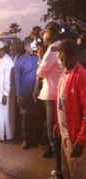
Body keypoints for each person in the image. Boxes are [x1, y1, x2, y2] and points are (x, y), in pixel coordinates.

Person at [55, 39, 86, 179]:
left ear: (72, 55)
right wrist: (58, 125)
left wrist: (81, 140)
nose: (58, 57)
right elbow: (62, 104)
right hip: (65, 136)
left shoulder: (82, 77)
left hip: (76, 139)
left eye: (61, 53)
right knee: (67, 173)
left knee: (78, 173)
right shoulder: (65, 74)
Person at [37, 21, 64, 179]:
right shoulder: (61, 47)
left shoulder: (51, 51)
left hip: (52, 98)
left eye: (45, 33)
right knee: (58, 133)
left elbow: (41, 74)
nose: (44, 37)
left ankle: (59, 172)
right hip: (59, 97)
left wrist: (40, 58)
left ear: (52, 35)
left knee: (53, 135)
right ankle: (61, 169)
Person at [15, 37, 41, 149]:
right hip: (25, 93)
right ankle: (25, 139)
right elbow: (17, 79)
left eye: (33, 46)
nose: (31, 48)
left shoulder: (39, 59)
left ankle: (35, 140)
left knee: (36, 117)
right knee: (26, 118)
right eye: (28, 46)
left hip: (37, 92)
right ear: (25, 47)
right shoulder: (20, 60)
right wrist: (18, 94)